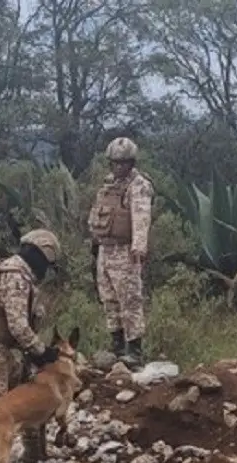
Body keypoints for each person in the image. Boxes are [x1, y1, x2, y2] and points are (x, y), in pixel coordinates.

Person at [0, 229, 63, 461]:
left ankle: (35, 454)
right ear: (41, 256)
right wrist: (42, 351)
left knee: (28, 398)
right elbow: (18, 326)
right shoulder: (16, 276)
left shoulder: (7, 269)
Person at [87, 136, 154, 367]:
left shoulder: (139, 186)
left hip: (125, 251)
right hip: (105, 249)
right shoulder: (108, 185)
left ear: (132, 163)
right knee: (109, 299)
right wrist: (95, 245)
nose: (119, 167)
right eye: (115, 162)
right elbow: (97, 214)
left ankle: (134, 351)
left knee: (130, 300)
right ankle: (116, 347)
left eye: (123, 162)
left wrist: (138, 249)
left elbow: (141, 217)